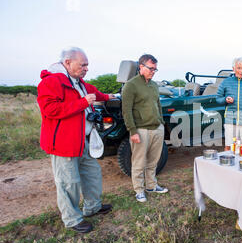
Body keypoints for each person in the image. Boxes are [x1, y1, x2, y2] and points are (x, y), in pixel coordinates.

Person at [37, 47, 115, 233]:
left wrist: (108, 97)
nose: (86, 68)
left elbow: (94, 94)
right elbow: (50, 110)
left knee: (92, 173)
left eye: (87, 65)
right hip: (63, 143)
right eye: (83, 65)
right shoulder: (51, 83)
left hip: (83, 140)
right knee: (68, 182)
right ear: (67, 63)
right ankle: (72, 219)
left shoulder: (78, 83)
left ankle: (93, 207)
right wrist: (82, 103)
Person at [121, 54, 168, 203]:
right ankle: (139, 190)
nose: (153, 71)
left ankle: (151, 186)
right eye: (150, 68)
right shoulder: (131, 85)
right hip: (141, 130)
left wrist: (161, 122)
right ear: (141, 67)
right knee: (139, 162)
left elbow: (158, 104)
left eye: (155, 69)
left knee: (153, 161)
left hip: (157, 128)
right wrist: (133, 131)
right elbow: (126, 110)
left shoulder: (154, 85)